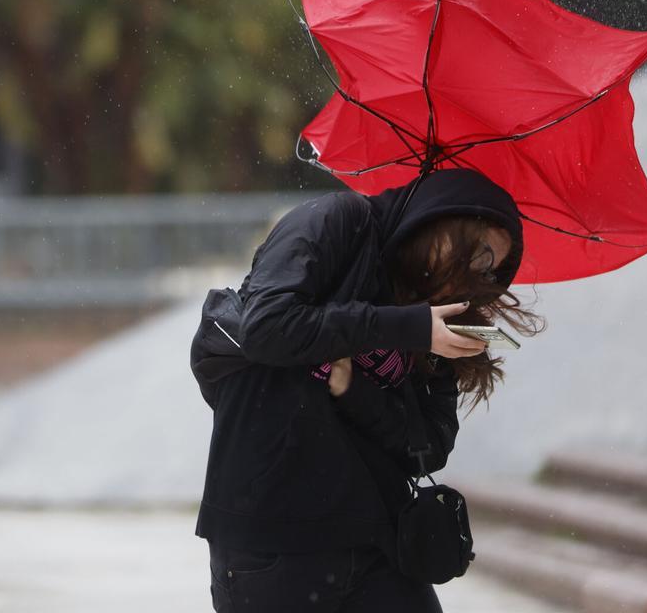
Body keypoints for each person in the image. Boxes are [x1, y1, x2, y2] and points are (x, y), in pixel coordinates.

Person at [195, 167, 545, 611]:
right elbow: (265, 327)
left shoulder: (440, 314)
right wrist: (410, 327)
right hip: (274, 540)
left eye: (493, 269)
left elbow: (428, 448)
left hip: (376, 544)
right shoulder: (338, 221)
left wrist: (355, 390)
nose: (481, 274)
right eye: (479, 254)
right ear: (443, 219)